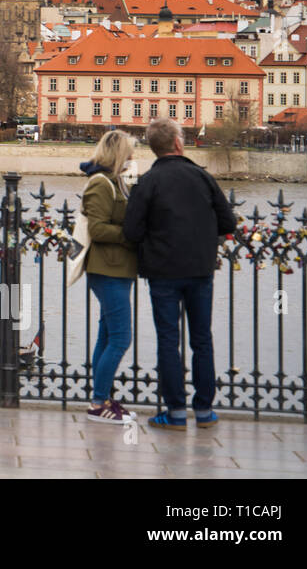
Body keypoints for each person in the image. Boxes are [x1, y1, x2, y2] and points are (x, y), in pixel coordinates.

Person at [123, 117, 235, 431]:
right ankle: (204, 410)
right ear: (178, 143)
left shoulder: (147, 182)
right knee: (202, 338)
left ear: (155, 147)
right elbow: (228, 224)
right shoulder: (202, 177)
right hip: (200, 269)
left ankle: (174, 411)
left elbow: (131, 231)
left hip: (162, 271)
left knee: (168, 341)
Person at [79, 130, 139, 424]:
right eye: (129, 151)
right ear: (117, 153)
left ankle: (101, 398)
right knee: (120, 338)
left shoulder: (116, 181)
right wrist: (131, 235)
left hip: (118, 269)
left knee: (107, 336)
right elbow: (98, 229)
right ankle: (97, 403)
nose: (132, 156)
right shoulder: (100, 184)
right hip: (107, 270)